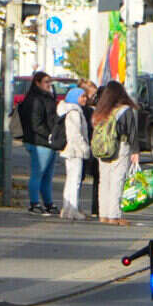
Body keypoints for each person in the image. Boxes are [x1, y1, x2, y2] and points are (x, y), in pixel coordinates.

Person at [91, 80, 139, 225]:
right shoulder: (124, 110)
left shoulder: (100, 110)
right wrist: (135, 151)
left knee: (104, 181)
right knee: (117, 181)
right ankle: (115, 215)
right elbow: (131, 132)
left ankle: (103, 214)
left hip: (102, 149)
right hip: (120, 147)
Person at [18, 71, 59, 215]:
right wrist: (50, 135)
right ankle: (34, 202)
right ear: (37, 83)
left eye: (50, 82)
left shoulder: (46, 97)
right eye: (46, 82)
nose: (49, 85)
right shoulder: (35, 100)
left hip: (47, 142)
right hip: (39, 141)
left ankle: (48, 203)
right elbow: (35, 124)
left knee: (47, 175)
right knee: (38, 173)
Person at [57, 87, 90, 220]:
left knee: (70, 179)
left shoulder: (68, 110)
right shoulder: (75, 112)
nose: (85, 99)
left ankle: (67, 208)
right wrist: (85, 147)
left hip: (68, 149)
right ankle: (73, 208)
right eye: (82, 96)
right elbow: (76, 134)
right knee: (74, 180)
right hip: (75, 150)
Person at [77, 79, 101, 216]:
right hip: (84, 146)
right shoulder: (80, 110)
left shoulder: (94, 108)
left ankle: (95, 209)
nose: (92, 97)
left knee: (97, 177)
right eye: (89, 94)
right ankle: (76, 206)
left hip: (94, 146)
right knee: (78, 178)